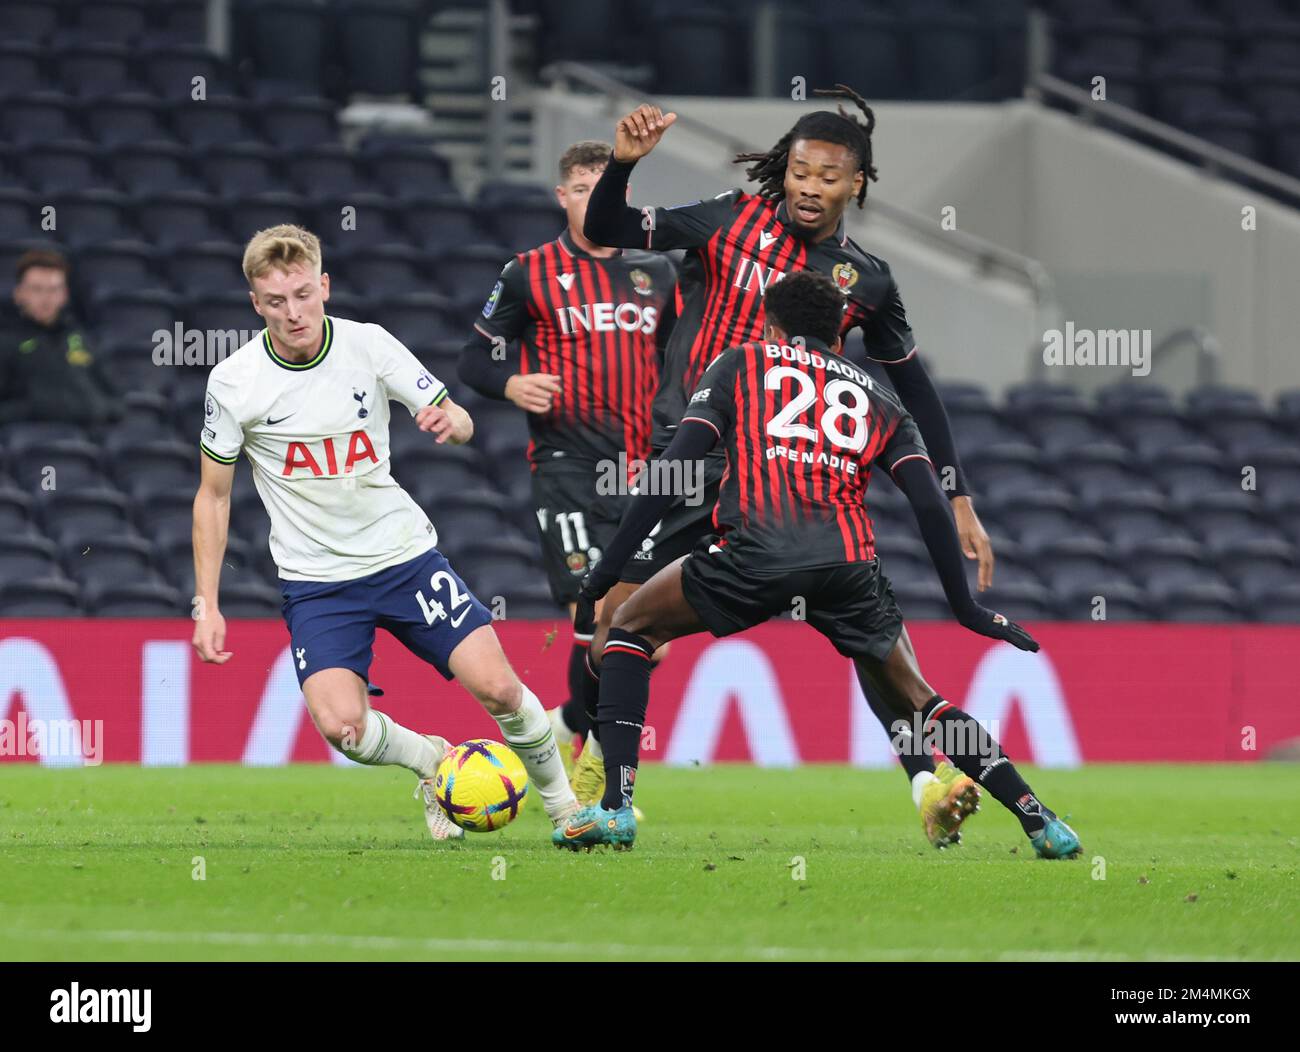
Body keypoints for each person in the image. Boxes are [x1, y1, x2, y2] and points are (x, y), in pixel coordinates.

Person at [572, 87, 996, 844]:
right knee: (614, 625)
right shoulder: (727, 218)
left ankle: (927, 783)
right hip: (693, 456)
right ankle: (599, 761)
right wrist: (623, 169)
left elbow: (916, 392)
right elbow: (606, 228)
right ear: (784, 168)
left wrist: (957, 496)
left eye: (829, 176)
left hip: (791, 470)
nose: (810, 186)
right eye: (800, 170)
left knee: (875, 646)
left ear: (857, 184)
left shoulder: (866, 278)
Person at [553, 272, 1080, 860]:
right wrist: (966, 607)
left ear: (772, 325)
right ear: (839, 335)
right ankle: (1043, 822)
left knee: (629, 627)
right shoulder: (882, 399)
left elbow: (673, 469)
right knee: (921, 700)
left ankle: (616, 807)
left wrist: (605, 572)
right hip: (847, 567)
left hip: (755, 552)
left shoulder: (741, 362)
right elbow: (929, 500)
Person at [192, 224, 577, 842]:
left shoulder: (369, 346)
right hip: (317, 582)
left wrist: (450, 422)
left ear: (324, 285)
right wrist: (207, 603)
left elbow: (462, 420)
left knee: (501, 688)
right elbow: (212, 497)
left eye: (301, 294)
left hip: (404, 559)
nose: (292, 313)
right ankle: (432, 764)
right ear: (255, 305)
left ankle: (565, 810)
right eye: (274, 301)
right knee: (343, 728)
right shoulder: (234, 382)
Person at [457, 140, 677, 785]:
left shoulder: (657, 274)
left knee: (643, 633)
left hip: (645, 473)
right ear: (562, 197)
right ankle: (599, 778)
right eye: (579, 189)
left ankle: (570, 727)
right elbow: (475, 359)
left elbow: (678, 361)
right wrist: (511, 384)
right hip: (568, 465)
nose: (591, 200)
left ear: (623, 197)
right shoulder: (528, 271)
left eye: (603, 188)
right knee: (594, 612)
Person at [0, 248, 118, 427]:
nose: (46, 298)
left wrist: (96, 408)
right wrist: (37, 408)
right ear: (19, 294)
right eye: (36, 289)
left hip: (86, 443)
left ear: (64, 295)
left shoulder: (78, 338)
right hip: (30, 445)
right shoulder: (6, 341)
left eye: (53, 290)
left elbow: (116, 399)